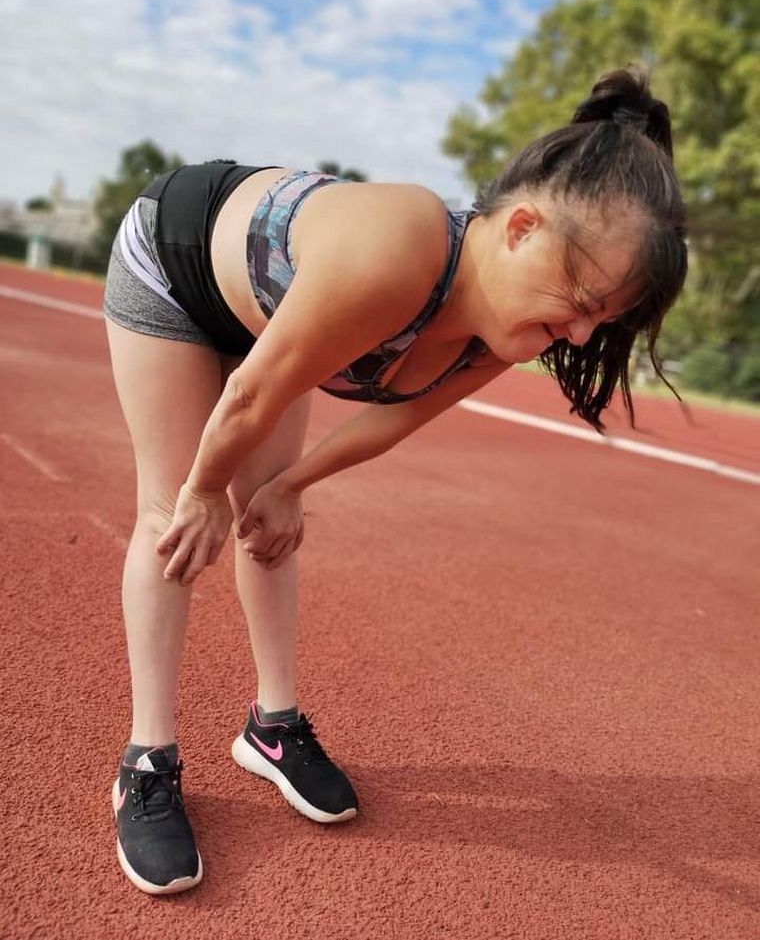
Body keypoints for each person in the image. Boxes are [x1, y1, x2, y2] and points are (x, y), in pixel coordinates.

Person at [102, 64, 688, 895]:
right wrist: (204, 486)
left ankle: (271, 728)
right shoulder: (401, 244)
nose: (584, 329)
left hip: (267, 320)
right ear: (521, 227)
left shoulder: (505, 329)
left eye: (606, 318)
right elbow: (250, 393)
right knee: (172, 515)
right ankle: (147, 759)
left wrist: (291, 485)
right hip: (176, 258)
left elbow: (394, 416)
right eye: (583, 297)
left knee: (268, 530)